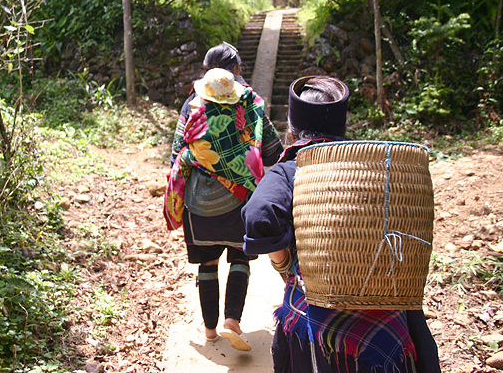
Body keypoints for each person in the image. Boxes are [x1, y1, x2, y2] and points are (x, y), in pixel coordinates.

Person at [241, 76, 441, 372]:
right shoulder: (370, 165)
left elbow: (259, 214)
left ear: (292, 131)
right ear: (343, 128)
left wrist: (283, 265)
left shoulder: (294, 167)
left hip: (320, 329)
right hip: (388, 321)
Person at [164, 42, 283, 351]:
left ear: (207, 70)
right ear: (238, 69)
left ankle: (209, 330)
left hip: (198, 204)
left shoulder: (193, 102)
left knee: (207, 263)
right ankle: (233, 320)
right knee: (240, 257)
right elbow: (273, 150)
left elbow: (177, 151)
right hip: (240, 199)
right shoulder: (251, 102)